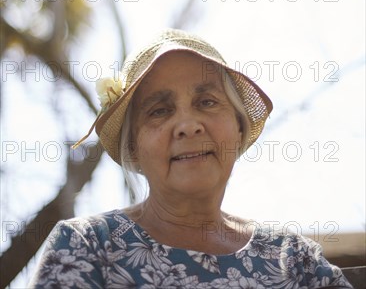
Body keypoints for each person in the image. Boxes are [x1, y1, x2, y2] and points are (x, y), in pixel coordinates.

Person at [29, 29, 354, 288]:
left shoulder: (294, 260)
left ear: (238, 129)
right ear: (133, 148)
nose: (187, 126)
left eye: (207, 102)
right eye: (159, 111)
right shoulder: (89, 245)